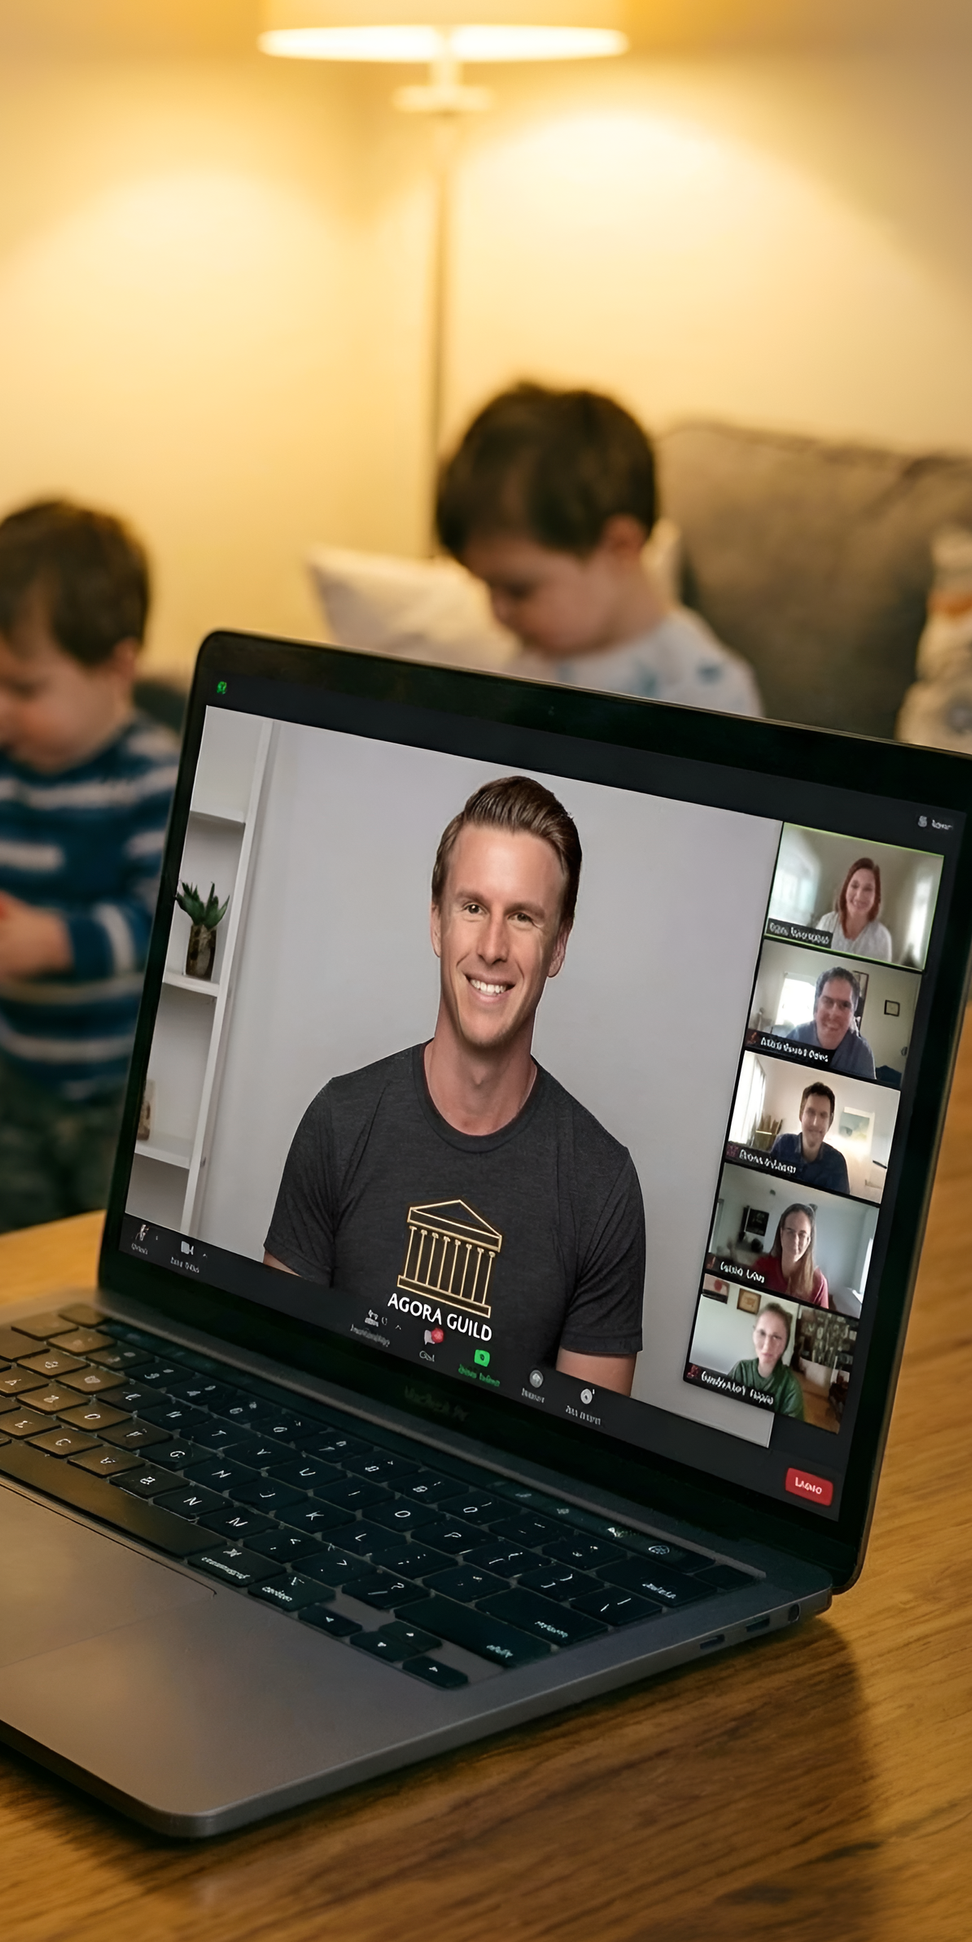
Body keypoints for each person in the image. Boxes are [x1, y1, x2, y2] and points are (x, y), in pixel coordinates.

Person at [263, 775, 648, 1391]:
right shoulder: (339, 1122)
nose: (492, 947)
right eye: (473, 907)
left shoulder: (603, 1190)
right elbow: (274, 1380)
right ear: (438, 924)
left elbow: (581, 1462)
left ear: (558, 947)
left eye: (523, 917)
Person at [0, 500, 179, 1233]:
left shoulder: (149, 780)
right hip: (13, 1069)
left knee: (102, 1238)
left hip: (122, 1086)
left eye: (22, 688)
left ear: (118, 667)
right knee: (4, 1233)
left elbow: (168, 918)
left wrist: (57, 941)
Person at [435, 384, 760, 713]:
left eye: (519, 590)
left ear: (619, 547)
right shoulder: (534, 651)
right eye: (488, 587)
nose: (497, 615)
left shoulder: (707, 696)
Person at [779, 966, 876, 1079]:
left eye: (845, 1005)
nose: (834, 1013)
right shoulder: (796, 1036)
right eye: (827, 1001)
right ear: (816, 1006)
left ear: (853, 1013)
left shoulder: (862, 1053)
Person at [723, 1301, 807, 1418]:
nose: (767, 1346)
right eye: (762, 1333)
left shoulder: (791, 1388)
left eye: (776, 1337)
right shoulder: (740, 1370)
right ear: (753, 1334)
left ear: (785, 1343)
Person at [770, 1080, 854, 1196]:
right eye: (810, 1112)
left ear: (830, 1122)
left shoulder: (837, 1163)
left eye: (823, 1115)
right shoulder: (782, 1144)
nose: (815, 1123)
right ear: (801, 1115)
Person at [749, 1200, 833, 1307]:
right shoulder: (761, 1266)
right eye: (790, 1231)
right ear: (781, 1233)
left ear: (808, 1241)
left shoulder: (819, 1284)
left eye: (802, 1234)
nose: (795, 1240)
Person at [816, 854, 895, 960]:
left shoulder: (883, 938)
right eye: (854, 886)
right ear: (845, 889)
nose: (859, 895)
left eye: (868, 889)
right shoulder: (826, 923)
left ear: (876, 897)